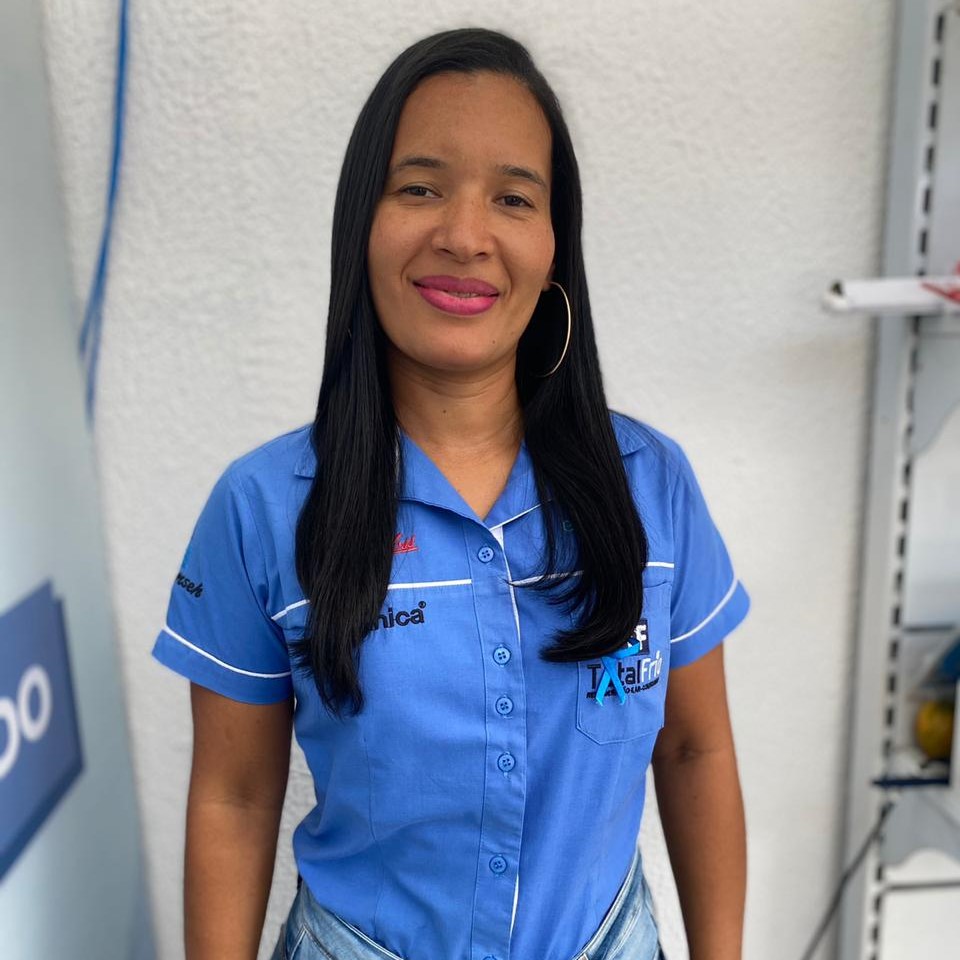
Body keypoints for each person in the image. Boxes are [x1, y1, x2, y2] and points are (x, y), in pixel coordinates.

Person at [151, 27, 750, 960]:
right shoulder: (263, 508)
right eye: (420, 188)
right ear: (362, 222)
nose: (465, 237)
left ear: (554, 248)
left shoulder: (650, 486)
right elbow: (234, 796)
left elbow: (693, 750)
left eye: (513, 197)